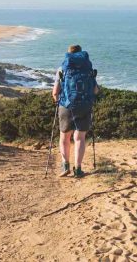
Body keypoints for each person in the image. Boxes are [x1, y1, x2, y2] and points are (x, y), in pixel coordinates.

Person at [52, 45, 100, 178]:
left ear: (68, 54)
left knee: (64, 137)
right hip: (84, 105)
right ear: (81, 54)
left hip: (65, 105)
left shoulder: (62, 69)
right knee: (79, 138)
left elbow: (55, 92)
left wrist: (58, 101)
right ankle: (78, 169)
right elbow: (96, 90)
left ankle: (65, 165)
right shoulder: (88, 69)